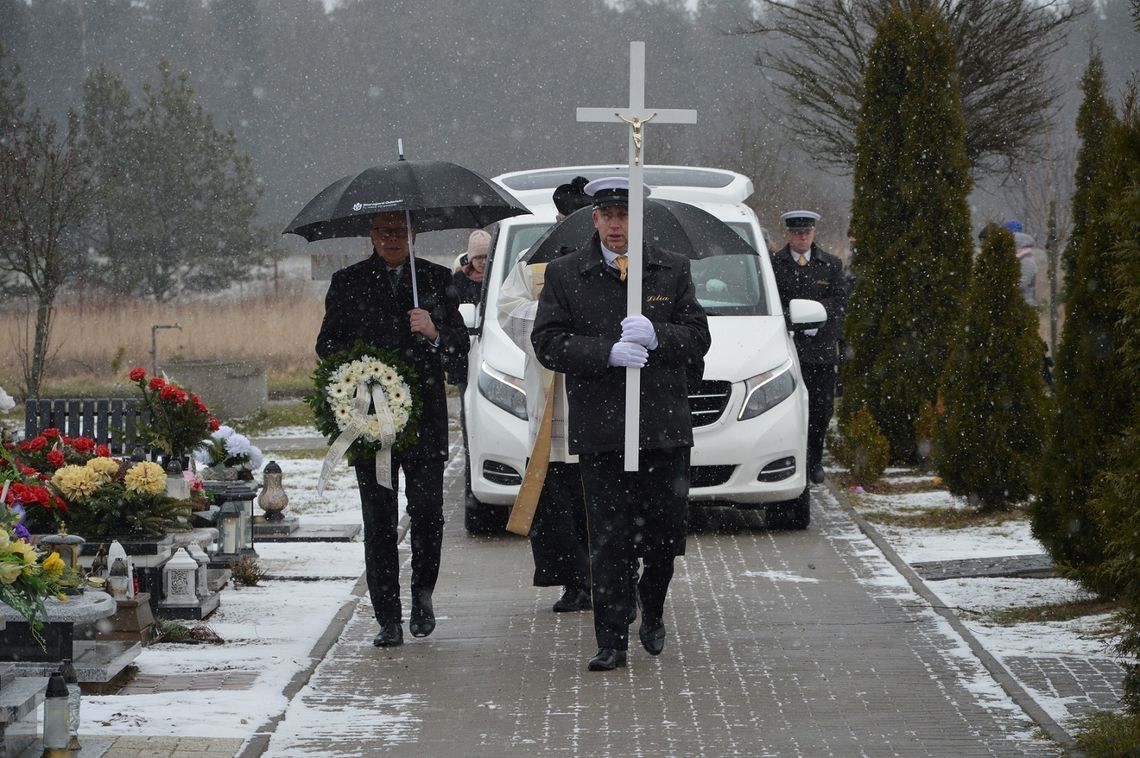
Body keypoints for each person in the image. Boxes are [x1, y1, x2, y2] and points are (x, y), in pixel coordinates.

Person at [532, 177, 711, 672]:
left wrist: (659, 334)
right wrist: (604, 352)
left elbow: (698, 337)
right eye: (607, 215)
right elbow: (547, 342)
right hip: (603, 427)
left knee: (663, 534)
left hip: (661, 425)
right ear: (594, 219)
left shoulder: (669, 269)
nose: (616, 224)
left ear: (639, 219)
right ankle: (611, 639)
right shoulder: (568, 274)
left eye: (625, 215)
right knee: (608, 537)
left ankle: (651, 609)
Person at [316, 211, 469, 648]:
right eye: (384, 232)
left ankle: (423, 595)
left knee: (427, 514)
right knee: (379, 521)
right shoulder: (348, 282)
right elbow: (326, 346)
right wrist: (364, 366)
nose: (392, 239)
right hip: (370, 424)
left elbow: (459, 355)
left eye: (400, 231)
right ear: (371, 235)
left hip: (424, 421)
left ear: (414, 234)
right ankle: (387, 616)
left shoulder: (438, 281)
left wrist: (435, 331)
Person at [497, 176, 593, 614]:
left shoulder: (620, 260)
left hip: (600, 392)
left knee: (602, 493)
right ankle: (572, 580)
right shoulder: (533, 261)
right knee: (559, 494)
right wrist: (555, 318)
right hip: (553, 389)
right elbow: (509, 309)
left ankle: (609, 574)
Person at [770, 210, 847, 486]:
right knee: (785, 409)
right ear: (787, 234)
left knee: (820, 409)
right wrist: (794, 322)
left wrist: (819, 319)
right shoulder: (774, 264)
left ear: (814, 233)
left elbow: (839, 303)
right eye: (797, 232)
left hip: (820, 351)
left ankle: (814, 459)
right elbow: (773, 302)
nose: (802, 237)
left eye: (807, 232)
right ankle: (792, 459)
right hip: (788, 347)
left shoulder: (830, 264)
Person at [451, 229, 491, 305]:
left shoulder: (499, 276)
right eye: (478, 257)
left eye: (487, 257)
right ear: (471, 259)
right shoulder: (458, 280)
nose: (483, 262)